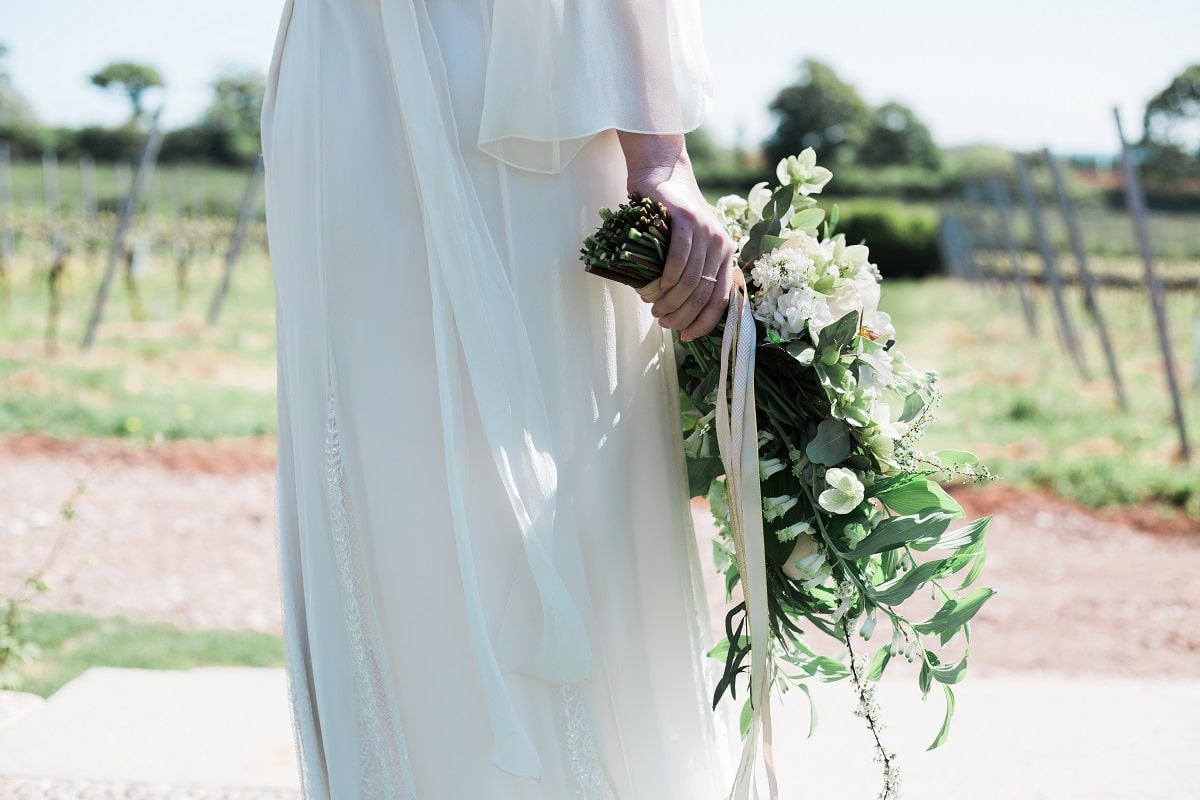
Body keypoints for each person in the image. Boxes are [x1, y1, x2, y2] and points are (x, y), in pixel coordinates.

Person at [262, 0, 736, 797]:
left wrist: (660, 150)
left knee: (548, 470)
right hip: (345, 62)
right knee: (384, 481)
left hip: (527, 74)